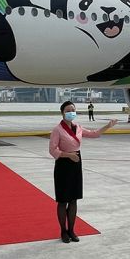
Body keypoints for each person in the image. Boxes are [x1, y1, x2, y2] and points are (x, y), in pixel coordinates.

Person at [49, 101, 118, 243]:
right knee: (63, 200)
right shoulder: (57, 130)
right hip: (64, 164)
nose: (71, 113)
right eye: (68, 110)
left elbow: (94, 134)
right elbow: (52, 150)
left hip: (76, 164)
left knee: (73, 199)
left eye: (73, 110)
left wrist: (108, 126)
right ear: (62, 112)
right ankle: (63, 231)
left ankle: (72, 230)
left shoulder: (78, 127)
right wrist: (69, 155)